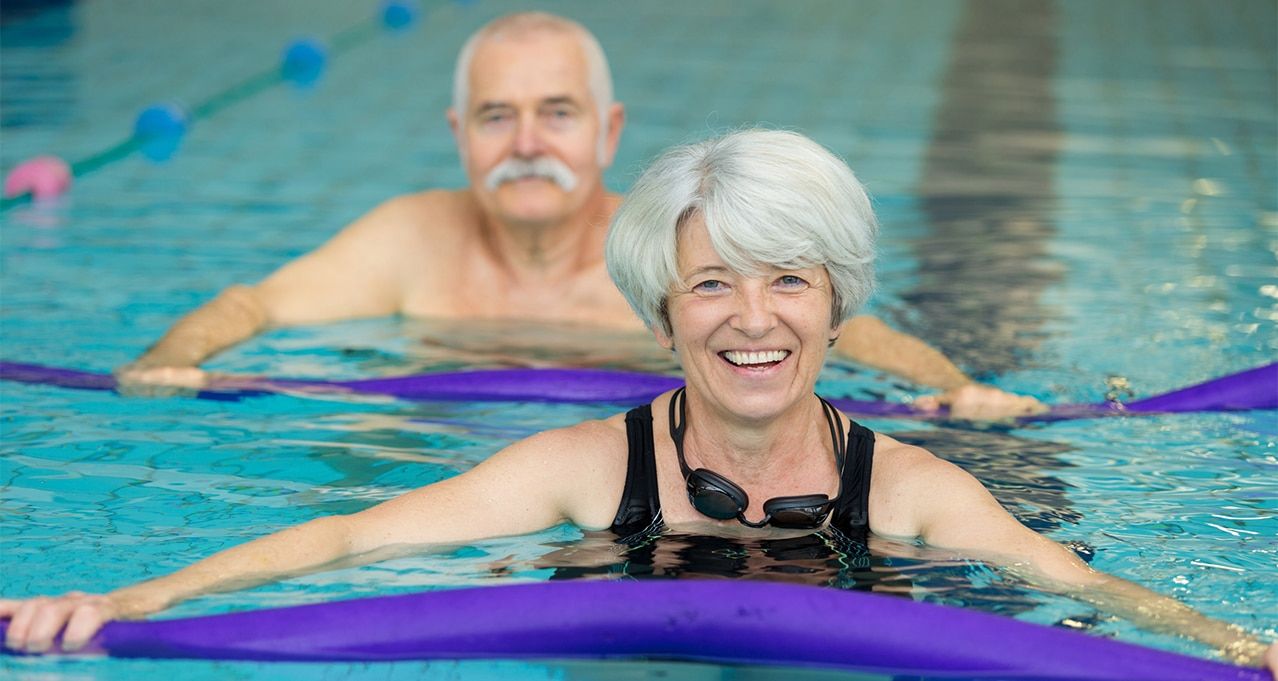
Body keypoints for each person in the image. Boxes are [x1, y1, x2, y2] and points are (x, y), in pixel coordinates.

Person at [5, 130, 1272, 673]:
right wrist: (124, 600)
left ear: (838, 310)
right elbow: (349, 541)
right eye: (710, 284)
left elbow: (1085, 590)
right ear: (661, 314)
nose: (753, 318)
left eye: (789, 281)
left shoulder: (916, 489)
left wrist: (1233, 646)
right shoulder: (576, 468)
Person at [116, 11, 1042, 421]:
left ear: (608, 130)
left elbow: (847, 333)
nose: (528, 142)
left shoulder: (674, 248)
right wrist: (171, 362)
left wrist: (956, 387)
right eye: (496, 116)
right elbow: (255, 308)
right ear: (461, 134)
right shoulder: (410, 236)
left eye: (556, 113)